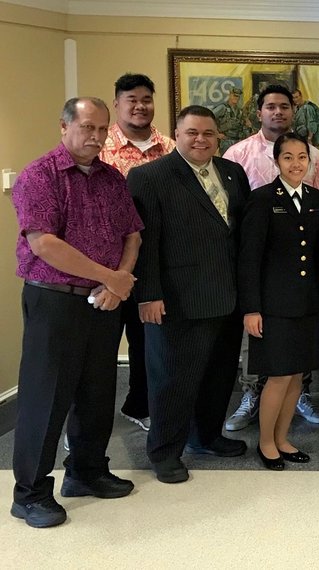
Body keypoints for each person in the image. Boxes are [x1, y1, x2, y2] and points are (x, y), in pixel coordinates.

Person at [10, 98, 142, 528]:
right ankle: (29, 493)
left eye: (103, 129)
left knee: (97, 391)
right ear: (64, 126)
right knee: (45, 397)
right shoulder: (40, 175)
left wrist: (117, 280)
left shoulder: (110, 178)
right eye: (87, 127)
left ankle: (86, 472)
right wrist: (110, 277)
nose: (97, 137)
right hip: (55, 299)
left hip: (104, 302)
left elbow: (132, 234)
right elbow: (44, 243)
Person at [129, 105, 251, 484]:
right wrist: (148, 295)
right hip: (177, 300)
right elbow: (144, 243)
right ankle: (164, 451)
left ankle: (206, 436)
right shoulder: (149, 177)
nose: (201, 140)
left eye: (209, 133)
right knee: (172, 381)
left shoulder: (232, 172)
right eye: (192, 132)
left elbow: (240, 234)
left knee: (218, 376)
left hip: (227, 297)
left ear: (219, 137)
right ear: (176, 134)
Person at [222, 84, 319, 432]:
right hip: (268, 290)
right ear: (259, 112)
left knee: (294, 367)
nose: (278, 111)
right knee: (267, 361)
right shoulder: (243, 162)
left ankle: (291, 417)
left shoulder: (314, 180)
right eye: (270, 106)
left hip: (302, 290)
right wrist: (251, 306)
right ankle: (255, 408)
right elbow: (247, 249)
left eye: (284, 106)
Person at [238, 132, 319, 471]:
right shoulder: (262, 198)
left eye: (302, 157)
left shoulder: (314, 197)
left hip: (305, 303)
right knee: (278, 376)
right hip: (273, 306)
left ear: (310, 161)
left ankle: (282, 438)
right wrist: (251, 308)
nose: (296, 163)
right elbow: (249, 258)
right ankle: (265, 443)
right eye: (288, 157)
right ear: (276, 161)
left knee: (296, 376)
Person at [99, 73, 176, 433]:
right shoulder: (100, 147)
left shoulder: (171, 146)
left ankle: (140, 404)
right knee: (98, 347)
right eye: (131, 99)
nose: (140, 106)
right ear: (117, 103)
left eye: (146, 99)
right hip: (106, 264)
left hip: (156, 261)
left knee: (151, 340)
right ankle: (86, 422)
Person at [213, 87, 250, 153]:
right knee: (225, 162)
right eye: (234, 95)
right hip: (226, 141)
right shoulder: (223, 107)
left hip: (237, 142)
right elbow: (209, 118)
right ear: (230, 95)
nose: (236, 98)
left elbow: (245, 125)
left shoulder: (239, 111)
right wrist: (217, 134)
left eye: (238, 96)